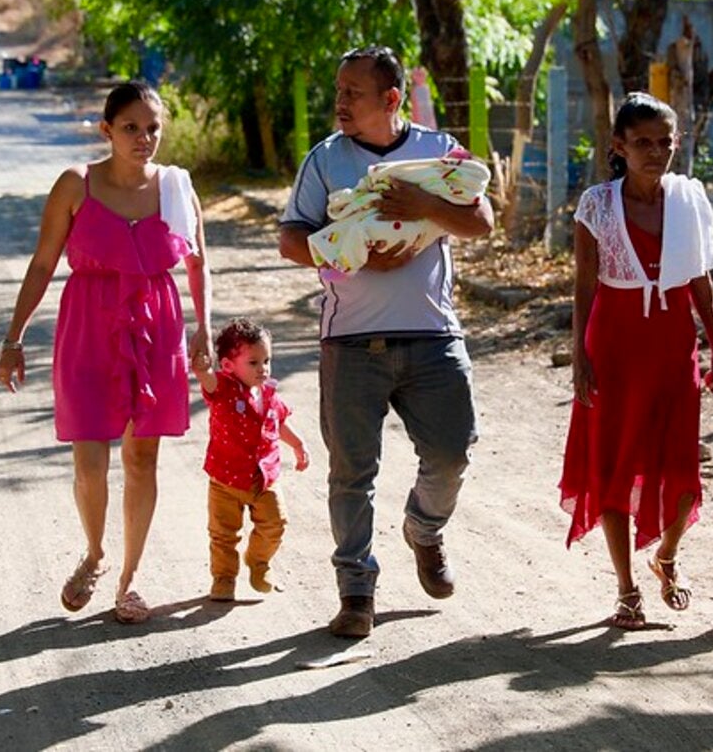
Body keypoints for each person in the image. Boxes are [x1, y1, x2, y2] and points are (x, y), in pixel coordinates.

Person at [278, 45, 493, 638]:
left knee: (453, 451)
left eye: (353, 92)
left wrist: (423, 205)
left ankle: (424, 529)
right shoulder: (324, 161)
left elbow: (482, 221)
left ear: (391, 99)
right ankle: (355, 589)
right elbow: (290, 239)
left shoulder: (437, 153)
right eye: (339, 90)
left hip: (432, 333)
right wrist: (349, 254)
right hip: (349, 340)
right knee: (351, 473)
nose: (340, 101)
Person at [0, 81, 210, 624]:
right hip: (88, 325)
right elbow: (43, 263)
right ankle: (94, 552)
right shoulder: (75, 185)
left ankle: (130, 580)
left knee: (142, 457)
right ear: (107, 130)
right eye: (132, 128)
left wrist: (203, 331)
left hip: (156, 326)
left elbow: (198, 264)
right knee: (90, 460)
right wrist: (14, 337)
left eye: (153, 128)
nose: (144, 139)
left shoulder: (177, 188)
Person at [559, 92, 713, 631]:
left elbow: (701, 278)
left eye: (664, 142)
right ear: (619, 146)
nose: (655, 152)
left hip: (673, 343)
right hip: (615, 341)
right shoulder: (597, 205)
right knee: (612, 460)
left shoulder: (689, 200)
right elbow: (584, 285)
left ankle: (667, 554)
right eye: (642, 143)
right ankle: (626, 588)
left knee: (680, 465)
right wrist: (579, 355)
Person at [193, 318, 309, 602]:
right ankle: (223, 578)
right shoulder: (222, 388)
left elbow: (278, 422)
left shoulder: (269, 393)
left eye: (266, 360)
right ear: (229, 366)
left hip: (264, 477)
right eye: (254, 362)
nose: (263, 369)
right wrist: (202, 370)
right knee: (223, 534)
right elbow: (208, 383)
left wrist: (298, 445)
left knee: (275, 523)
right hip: (225, 479)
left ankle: (259, 562)